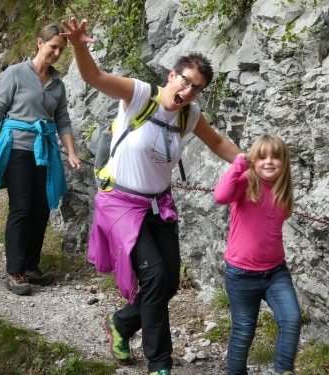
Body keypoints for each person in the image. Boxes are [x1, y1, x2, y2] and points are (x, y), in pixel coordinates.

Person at [61, 17, 241, 375]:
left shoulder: (189, 114)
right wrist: (79, 46)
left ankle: (122, 324)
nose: (188, 92)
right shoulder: (141, 95)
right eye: (185, 81)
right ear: (172, 75)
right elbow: (94, 78)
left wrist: (252, 162)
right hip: (121, 204)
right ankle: (160, 363)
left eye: (197, 88)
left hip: (159, 205)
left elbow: (218, 142)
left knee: (169, 282)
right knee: (156, 278)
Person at [0, 23, 81, 296]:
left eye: (61, 49)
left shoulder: (57, 84)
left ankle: (31, 266)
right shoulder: (15, 73)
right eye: (52, 46)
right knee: (21, 208)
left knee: (41, 208)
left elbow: (62, 120)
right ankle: (15, 271)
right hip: (17, 148)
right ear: (39, 43)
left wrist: (71, 152)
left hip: (44, 148)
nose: (56, 52)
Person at [214, 134, 301, 375]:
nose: (269, 162)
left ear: (285, 162)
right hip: (241, 274)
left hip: (275, 272)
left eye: (275, 157)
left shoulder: (283, 187)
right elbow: (221, 196)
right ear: (253, 161)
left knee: (291, 319)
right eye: (262, 157)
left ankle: (283, 371)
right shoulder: (246, 181)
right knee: (243, 330)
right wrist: (238, 166)